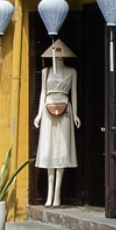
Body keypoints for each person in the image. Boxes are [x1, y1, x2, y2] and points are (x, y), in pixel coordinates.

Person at [33, 40, 79, 207]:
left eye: (60, 56)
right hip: (48, 109)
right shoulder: (45, 72)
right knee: (48, 148)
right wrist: (39, 114)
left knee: (62, 149)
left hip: (65, 110)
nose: (58, 58)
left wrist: (75, 114)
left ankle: (57, 194)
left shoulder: (71, 72)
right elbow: (43, 93)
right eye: (56, 56)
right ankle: (49, 194)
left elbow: (74, 94)